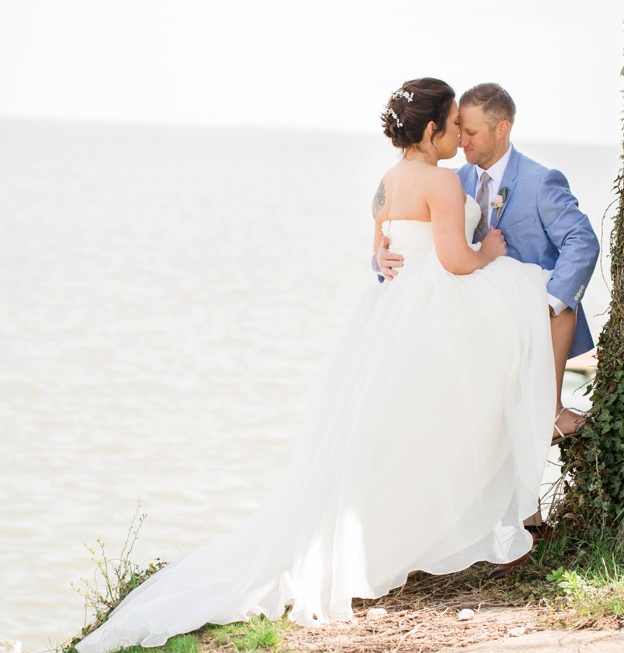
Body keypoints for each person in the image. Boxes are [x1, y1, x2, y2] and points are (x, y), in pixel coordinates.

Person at [76, 78, 556, 653]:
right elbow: (455, 261)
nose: (459, 133)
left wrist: (380, 255)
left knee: (385, 428)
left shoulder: (386, 183)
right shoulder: (439, 184)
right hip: (432, 307)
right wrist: (491, 253)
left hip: (389, 313)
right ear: (431, 131)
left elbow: (380, 247)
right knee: (493, 348)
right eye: (453, 124)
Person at [375, 83, 601, 445]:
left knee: (520, 450)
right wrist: (379, 259)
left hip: (526, 330)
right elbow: (413, 239)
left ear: (502, 129)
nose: (462, 140)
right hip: (468, 335)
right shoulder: (450, 179)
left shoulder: (540, 181)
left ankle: (551, 414)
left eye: (472, 133)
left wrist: (552, 303)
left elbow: (582, 241)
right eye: (459, 129)